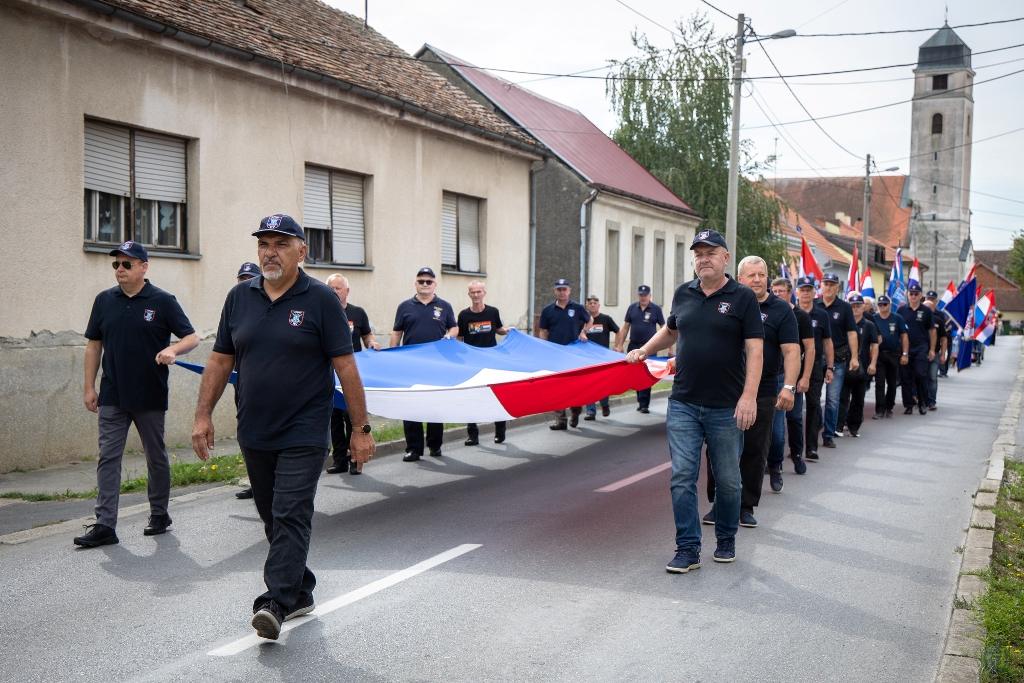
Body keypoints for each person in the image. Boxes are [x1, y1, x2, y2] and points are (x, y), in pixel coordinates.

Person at [191, 214, 375, 641]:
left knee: (291, 512)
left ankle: (274, 601)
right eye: (264, 244)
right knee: (272, 516)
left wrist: (360, 429)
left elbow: (346, 366)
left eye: (280, 243)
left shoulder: (321, 299)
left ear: (301, 251)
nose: (270, 252)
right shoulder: (240, 297)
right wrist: (203, 415)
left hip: (304, 430)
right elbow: (220, 360)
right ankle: (300, 589)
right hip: (254, 429)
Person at [626, 229, 763, 572]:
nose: (703, 259)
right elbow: (671, 330)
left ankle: (726, 538)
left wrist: (749, 397)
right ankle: (687, 548)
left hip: (726, 406)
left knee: (728, 480)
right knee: (682, 477)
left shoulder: (743, 297)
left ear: (725, 258)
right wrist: (644, 350)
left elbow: (755, 350)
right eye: (698, 254)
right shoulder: (683, 293)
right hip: (684, 402)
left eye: (710, 252)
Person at [75, 240, 200, 548]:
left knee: (155, 457)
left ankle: (159, 513)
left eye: (127, 264)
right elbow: (94, 346)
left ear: (144, 267)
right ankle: (105, 524)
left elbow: (192, 337)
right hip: (113, 394)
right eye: (116, 264)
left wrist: (173, 349)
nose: (120, 269)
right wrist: (89, 387)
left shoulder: (163, 301)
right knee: (108, 457)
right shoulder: (104, 301)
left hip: (149, 393)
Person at [706, 257, 797, 526]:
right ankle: (719, 504)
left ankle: (745, 506)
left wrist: (789, 386)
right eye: (751, 275)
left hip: (764, 390)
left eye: (761, 274)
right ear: (740, 278)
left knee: (755, 449)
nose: (757, 279)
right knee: (717, 448)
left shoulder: (781, 310)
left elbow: (791, 351)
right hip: (724, 388)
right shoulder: (726, 302)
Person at [390, 267, 458, 461]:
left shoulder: (444, 306)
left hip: (437, 365)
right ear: (416, 284)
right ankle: (413, 448)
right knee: (411, 406)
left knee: (435, 405)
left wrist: (449, 335)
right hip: (410, 365)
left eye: (429, 281)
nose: (425, 284)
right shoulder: (404, 306)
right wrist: (391, 356)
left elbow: (454, 327)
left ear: (435, 284)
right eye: (421, 281)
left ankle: (435, 445)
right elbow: (397, 332)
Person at [325, 273, 380, 475]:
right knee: (334, 421)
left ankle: (356, 461)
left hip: (350, 375)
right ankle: (339, 461)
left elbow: (367, 335)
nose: (334, 291)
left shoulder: (357, 313)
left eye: (338, 288)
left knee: (352, 419)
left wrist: (372, 343)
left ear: (347, 291)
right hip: (329, 376)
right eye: (331, 288)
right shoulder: (322, 312)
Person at [769, 277, 815, 476]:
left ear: (790, 293)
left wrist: (805, 377)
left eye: (781, 291)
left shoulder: (800, 316)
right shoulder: (767, 311)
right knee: (773, 424)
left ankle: (796, 455)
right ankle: (772, 462)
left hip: (792, 375)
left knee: (794, 417)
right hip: (773, 374)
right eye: (774, 291)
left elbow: (810, 348)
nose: (777, 294)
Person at [457, 280, 510, 444]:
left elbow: (499, 329)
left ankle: (500, 429)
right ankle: (472, 435)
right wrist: (459, 358)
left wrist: (509, 331)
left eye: (478, 291)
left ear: (484, 293)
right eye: (472, 292)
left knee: (495, 395)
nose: (476, 295)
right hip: (471, 363)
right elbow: (459, 338)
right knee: (471, 397)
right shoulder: (463, 315)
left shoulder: (493, 312)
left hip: (492, 361)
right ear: (469, 294)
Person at [538, 278, 591, 430]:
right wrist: (544, 347)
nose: (562, 292)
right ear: (555, 291)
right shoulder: (548, 310)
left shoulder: (578, 308)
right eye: (559, 289)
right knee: (556, 387)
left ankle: (575, 411)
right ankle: (560, 420)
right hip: (555, 355)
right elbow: (543, 330)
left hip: (574, 354)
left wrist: (583, 332)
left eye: (564, 289)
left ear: (569, 291)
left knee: (575, 386)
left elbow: (590, 320)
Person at [816, 273, 858, 447]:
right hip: (816, 358)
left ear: (837, 287)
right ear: (821, 285)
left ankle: (828, 434)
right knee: (814, 398)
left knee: (833, 399)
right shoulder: (814, 304)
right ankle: (816, 424)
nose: (828, 287)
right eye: (826, 284)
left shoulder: (845, 307)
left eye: (832, 284)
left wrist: (854, 357)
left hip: (838, 359)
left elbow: (852, 333)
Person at [795, 276, 834, 463]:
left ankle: (811, 448)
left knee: (813, 405)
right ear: (797, 292)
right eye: (802, 290)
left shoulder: (822, 315)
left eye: (808, 290)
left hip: (815, 366)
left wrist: (830, 367)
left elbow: (827, 342)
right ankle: (796, 448)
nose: (805, 293)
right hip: (793, 365)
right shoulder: (790, 312)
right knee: (793, 411)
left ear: (814, 292)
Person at [234, 262, 261, 500]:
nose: (245, 283)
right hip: (242, 384)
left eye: (249, 279)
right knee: (246, 433)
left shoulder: (265, 306)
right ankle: (257, 482)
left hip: (268, 386)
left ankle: (272, 482)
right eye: (241, 279)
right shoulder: (234, 307)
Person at [615, 285, 665, 413]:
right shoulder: (632, 308)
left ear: (650, 296)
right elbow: (625, 327)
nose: (643, 297)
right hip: (634, 346)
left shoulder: (656, 309)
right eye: (641, 295)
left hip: (649, 347)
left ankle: (644, 404)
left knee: (646, 374)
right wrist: (620, 345)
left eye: (645, 295)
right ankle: (640, 400)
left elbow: (664, 328)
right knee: (635, 374)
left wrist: (669, 347)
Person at [837, 293, 879, 438]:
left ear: (863, 307)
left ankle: (854, 427)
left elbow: (875, 345)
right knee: (842, 398)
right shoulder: (843, 323)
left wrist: (873, 363)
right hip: (843, 365)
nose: (855, 308)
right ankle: (839, 426)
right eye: (852, 306)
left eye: (858, 306)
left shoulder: (869, 325)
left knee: (858, 399)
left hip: (862, 367)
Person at [897, 284, 936, 415]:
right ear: (907, 295)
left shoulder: (926, 311)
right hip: (905, 349)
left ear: (920, 295)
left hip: (921, 348)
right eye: (911, 293)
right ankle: (908, 404)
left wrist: (932, 349)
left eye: (916, 294)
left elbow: (932, 331)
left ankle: (922, 402)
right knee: (905, 377)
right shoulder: (901, 310)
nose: (913, 296)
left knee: (920, 375)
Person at [871, 294, 909, 419]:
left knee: (892, 383)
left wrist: (905, 354)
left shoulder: (897, 318)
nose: (882, 306)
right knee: (879, 383)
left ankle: (889, 407)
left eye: (885, 304)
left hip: (894, 354)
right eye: (880, 304)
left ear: (890, 305)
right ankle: (879, 410)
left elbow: (904, 336)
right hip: (879, 355)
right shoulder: (873, 318)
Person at [583, 294, 620, 420]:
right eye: (590, 303)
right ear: (587, 306)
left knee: (603, 383)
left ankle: (604, 405)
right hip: (587, 358)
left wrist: (617, 346)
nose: (592, 305)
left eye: (595, 303)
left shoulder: (606, 319)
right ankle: (590, 411)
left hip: (603, 358)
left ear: (599, 305)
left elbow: (618, 331)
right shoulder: (583, 320)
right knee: (589, 384)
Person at [923, 291, 950, 410]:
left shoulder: (939, 320)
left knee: (932, 377)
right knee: (921, 377)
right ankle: (922, 399)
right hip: (921, 353)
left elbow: (944, 338)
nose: (928, 310)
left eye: (930, 308)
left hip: (935, 354)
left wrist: (943, 354)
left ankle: (931, 401)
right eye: (926, 308)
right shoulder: (919, 319)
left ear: (934, 308)